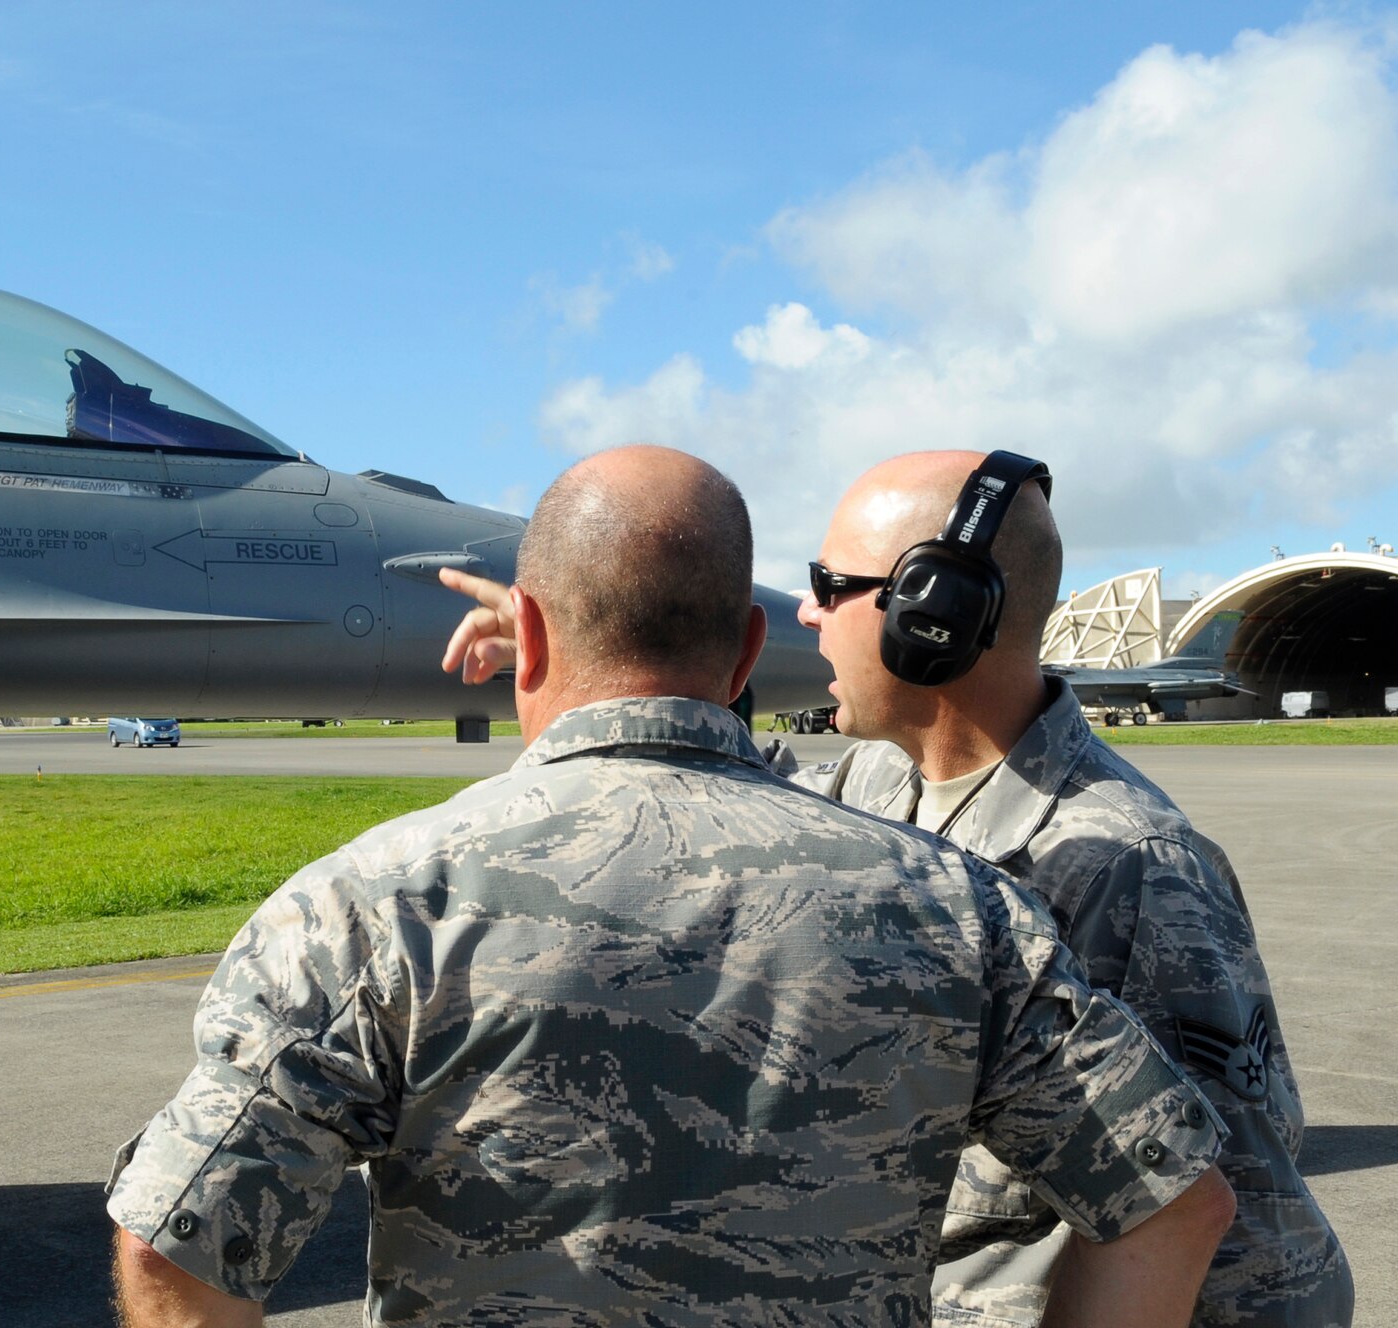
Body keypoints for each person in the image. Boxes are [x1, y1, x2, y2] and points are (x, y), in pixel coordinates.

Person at [110, 445, 1232, 1327]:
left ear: (529, 629)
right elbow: (1174, 1201)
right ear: (746, 651)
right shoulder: (962, 907)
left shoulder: (369, 907)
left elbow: (177, 1240)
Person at [442, 448, 1350, 1327]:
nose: (807, 611)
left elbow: (1254, 1249)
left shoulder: (1131, 865)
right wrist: (570, 655)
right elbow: (717, 807)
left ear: (936, 616)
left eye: (832, 587)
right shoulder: (874, 789)